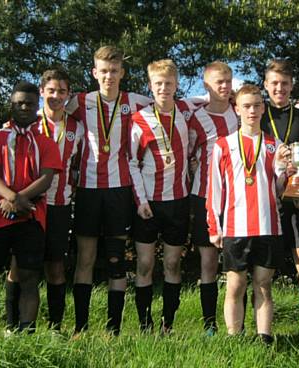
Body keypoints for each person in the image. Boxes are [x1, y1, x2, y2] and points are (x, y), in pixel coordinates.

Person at [65, 46, 151, 336]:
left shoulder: (135, 102)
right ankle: (81, 327)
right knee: (85, 259)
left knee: (116, 259)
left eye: (114, 71)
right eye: (103, 71)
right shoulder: (79, 101)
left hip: (120, 190)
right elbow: (49, 111)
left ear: (122, 73)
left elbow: (172, 104)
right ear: (94, 73)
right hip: (88, 190)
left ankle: (113, 330)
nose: (109, 76)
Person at [0, 81, 62, 334]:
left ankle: (27, 333)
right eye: (19, 103)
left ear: (37, 106)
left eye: (29, 104)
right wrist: (11, 197)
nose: (23, 107)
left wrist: (19, 199)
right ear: (11, 104)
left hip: (31, 217)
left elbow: (47, 178)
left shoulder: (46, 142)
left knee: (30, 279)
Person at [206, 84, 288, 344]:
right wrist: (213, 227)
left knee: (263, 284)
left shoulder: (276, 145)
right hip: (234, 227)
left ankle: (264, 339)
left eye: (256, 106)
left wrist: (284, 171)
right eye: (246, 106)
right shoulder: (223, 145)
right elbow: (214, 190)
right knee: (235, 284)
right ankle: (234, 339)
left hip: (268, 225)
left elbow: (280, 190)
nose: (252, 111)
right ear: (237, 109)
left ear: (263, 109)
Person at [4, 69, 84, 332]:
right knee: (19, 267)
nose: (56, 96)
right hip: (29, 205)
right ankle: (12, 326)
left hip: (60, 206)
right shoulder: (29, 124)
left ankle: (55, 329)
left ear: (68, 94)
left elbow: (77, 167)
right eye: (51, 91)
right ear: (42, 93)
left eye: (61, 91)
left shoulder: (76, 128)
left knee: (56, 268)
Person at [129, 59, 195, 333]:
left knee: (172, 263)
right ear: (150, 86)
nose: (164, 88)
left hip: (178, 201)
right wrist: (141, 201)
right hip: (149, 205)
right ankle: (145, 325)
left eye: (169, 83)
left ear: (176, 84)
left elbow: (216, 95)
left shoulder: (186, 109)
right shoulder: (139, 119)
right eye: (158, 84)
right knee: (144, 264)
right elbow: (131, 162)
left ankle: (168, 325)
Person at [260, 59, 299, 338]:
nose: (279, 88)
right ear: (265, 86)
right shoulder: (255, 115)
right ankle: (263, 333)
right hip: (263, 202)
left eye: (284, 83)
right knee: (263, 271)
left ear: (292, 85)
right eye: (274, 83)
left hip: (297, 200)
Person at [187, 61, 238, 335]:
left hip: (235, 199)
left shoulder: (238, 114)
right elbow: (187, 154)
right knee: (207, 262)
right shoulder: (196, 118)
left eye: (228, 81)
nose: (224, 86)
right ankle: (209, 325)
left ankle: (236, 324)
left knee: (235, 265)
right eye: (218, 81)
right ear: (206, 85)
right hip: (203, 197)